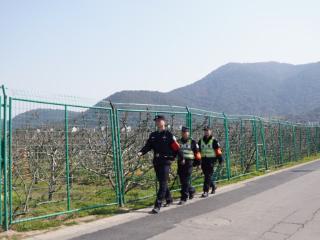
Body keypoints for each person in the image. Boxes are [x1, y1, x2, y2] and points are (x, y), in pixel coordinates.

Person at [138, 115, 184, 214]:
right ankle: (169, 199)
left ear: (164, 122)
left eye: (160, 120)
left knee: (163, 183)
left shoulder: (169, 135)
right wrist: (141, 152)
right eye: (156, 121)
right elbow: (148, 146)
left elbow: (177, 148)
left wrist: (181, 158)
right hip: (157, 161)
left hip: (166, 162)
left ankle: (157, 205)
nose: (158, 122)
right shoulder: (153, 135)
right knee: (162, 182)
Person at [177, 126, 201, 205]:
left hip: (189, 163)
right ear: (181, 133)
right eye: (183, 132)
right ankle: (191, 190)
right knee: (182, 180)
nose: (184, 133)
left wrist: (198, 164)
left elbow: (197, 153)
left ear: (188, 133)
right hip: (180, 163)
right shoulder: (178, 141)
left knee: (186, 179)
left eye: (186, 132)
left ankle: (184, 198)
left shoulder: (193, 142)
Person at [198, 126, 224, 198]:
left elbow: (218, 151)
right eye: (205, 131)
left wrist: (220, 159)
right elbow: (198, 152)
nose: (206, 132)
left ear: (210, 131)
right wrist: (198, 161)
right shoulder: (201, 141)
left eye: (207, 130)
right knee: (207, 175)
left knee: (207, 176)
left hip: (211, 161)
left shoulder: (214, 141)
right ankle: (213, 185)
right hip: (203, 161)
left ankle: (205, 191)